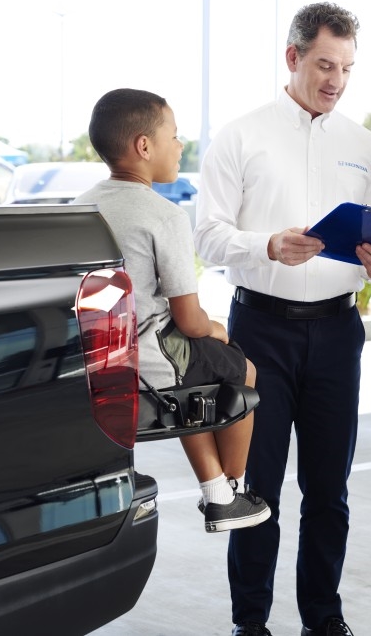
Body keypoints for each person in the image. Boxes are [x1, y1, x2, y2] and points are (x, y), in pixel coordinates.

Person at [193, 2, 371, 636]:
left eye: (347, 69)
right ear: (293, 57)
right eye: (325, 64)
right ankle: (249, 623)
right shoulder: (241, 136)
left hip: (338, 333)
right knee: (257, 487)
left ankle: (323, 619)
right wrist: (266, 246)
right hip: (260, 330)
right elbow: (205, 236)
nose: (336, 80)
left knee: (329, 489)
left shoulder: (366, 147)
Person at [75, 87, 271, 533]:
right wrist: (216, 329)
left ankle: (217, 491)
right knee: (240, 371)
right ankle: (231, 493)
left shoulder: (80, 206)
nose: (180, 146)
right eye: (174, 135)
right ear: (144, 147)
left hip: (98, 352)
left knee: (196, 375)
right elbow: (188, 318)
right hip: (149, 357)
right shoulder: (163, 215)